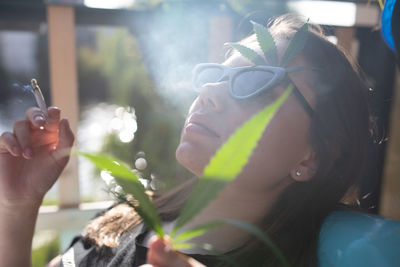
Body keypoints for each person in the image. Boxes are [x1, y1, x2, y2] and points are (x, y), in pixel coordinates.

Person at [0, 14, 371, 267]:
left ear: (314, 157)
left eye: (259, 82)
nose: (209, 91)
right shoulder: (124, 218)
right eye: (218, 76)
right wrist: (17, 205)